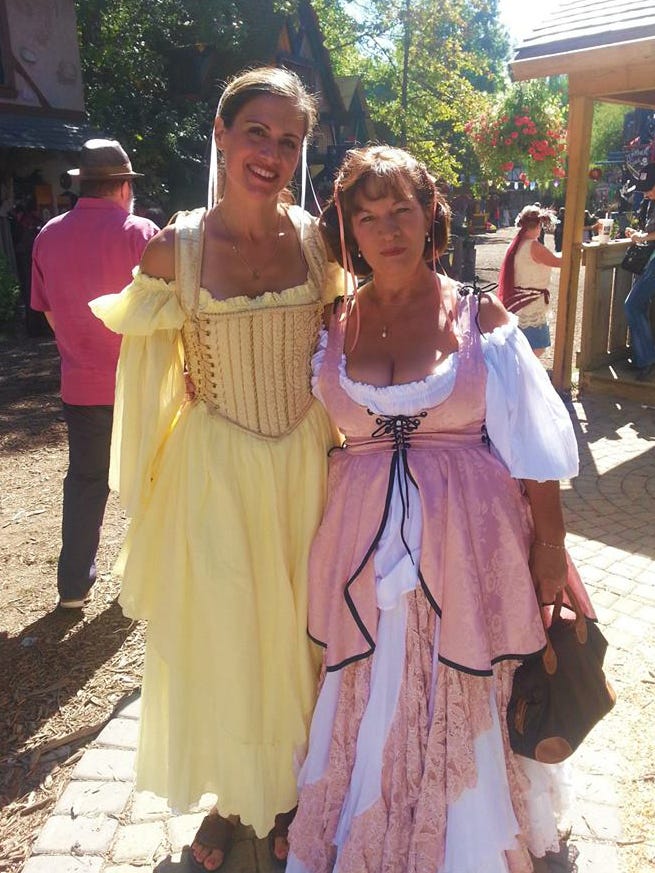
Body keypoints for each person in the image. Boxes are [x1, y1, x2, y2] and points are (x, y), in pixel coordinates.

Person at [284, 146, 594, 873]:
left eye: (401, 210)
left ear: (430, 215)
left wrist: (549, 549)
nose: (387, 230)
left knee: (466, 682)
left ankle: (465, 836)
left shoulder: (478, 311)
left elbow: (533, 445)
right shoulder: (331, 323)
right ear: (348, 229)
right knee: (372, 684)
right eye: (367, 217)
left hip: (469, 546)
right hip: (365, 551)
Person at [90, 67, 342, 871]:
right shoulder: (176, 250)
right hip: (216, 473)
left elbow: (342, 347)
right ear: (221, 134)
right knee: (231, 639)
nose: (270, 153)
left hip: (305, 465)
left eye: (288, 140)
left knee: (302, 635)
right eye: (256, 132)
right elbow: (146, 379)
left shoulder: (320, 241)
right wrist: (151, 490)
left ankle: (293, 787)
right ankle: (232, 798)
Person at [30, 139, 158, 609]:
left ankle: (73, 585)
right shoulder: (142, 233)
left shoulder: (48, 235)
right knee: (150, 480)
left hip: (81, 385)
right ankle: (146, 582)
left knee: (85, 479)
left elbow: (49, 313)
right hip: (139, 383)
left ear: (83, 183)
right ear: (124, 187)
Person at [498, 205, 561, 357]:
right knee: (536, 347)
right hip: (530, 304)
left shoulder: (516, 244)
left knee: (524, 346)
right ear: (538, 225)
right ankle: (523, 370)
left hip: (518, 301)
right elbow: (558, 261)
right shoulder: (533, 246)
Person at [624, 162, 655, 381]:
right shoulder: (650, 203)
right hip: (649, 261)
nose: (645, 193)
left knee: (632, 305)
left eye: (648, 188)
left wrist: (642, 236)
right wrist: (638, 233)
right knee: (638, 306)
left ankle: (646, 358)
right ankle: (642, 357)